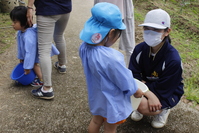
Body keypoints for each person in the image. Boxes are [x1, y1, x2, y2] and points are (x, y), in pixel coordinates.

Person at [79, 3, 144, 133]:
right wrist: (135, 91)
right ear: (112, 32)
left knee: (96, 121)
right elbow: (124, 80)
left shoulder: (83, 48)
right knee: (110, 129)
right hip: (112, 102)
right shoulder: (113, 57)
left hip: (97, 97)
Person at [128, 9, 184, 128]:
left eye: (156, 30)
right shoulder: (139, 50)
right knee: (124, 93)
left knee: (143, 106)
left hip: (167, 91)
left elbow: (164, 88)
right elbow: (133, 75)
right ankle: (143, 102)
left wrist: (144, 86)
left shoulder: (173, 59)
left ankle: (164, 109)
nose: (150, 33)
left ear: (167, 31)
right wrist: (148, 93)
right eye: (147, 28)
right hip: (148, 87)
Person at [26, 0, 72, 99]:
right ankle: (62, 65)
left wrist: (30, 7)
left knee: (44, 48)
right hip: (65, 8)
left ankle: (47, 88)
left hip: (47, 8)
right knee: (59, 36)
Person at [10, 6, 59, 87]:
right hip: (33, 52)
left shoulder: (28, 36)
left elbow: (30, 52)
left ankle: (42, 80)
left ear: (24, 22)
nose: (12, 24)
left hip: (37, 52)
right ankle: (36, 77)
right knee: (30, 63)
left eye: (15, 22)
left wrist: (27, 67)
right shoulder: (20, 32)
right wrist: (21, 58)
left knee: (34, 65)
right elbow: (20, 47)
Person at [94, 0, 135, 65]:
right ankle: (99, 65)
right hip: (102, 9)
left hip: (122, 7)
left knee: (129, 43)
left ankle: (132, 69)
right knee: (99, 40)